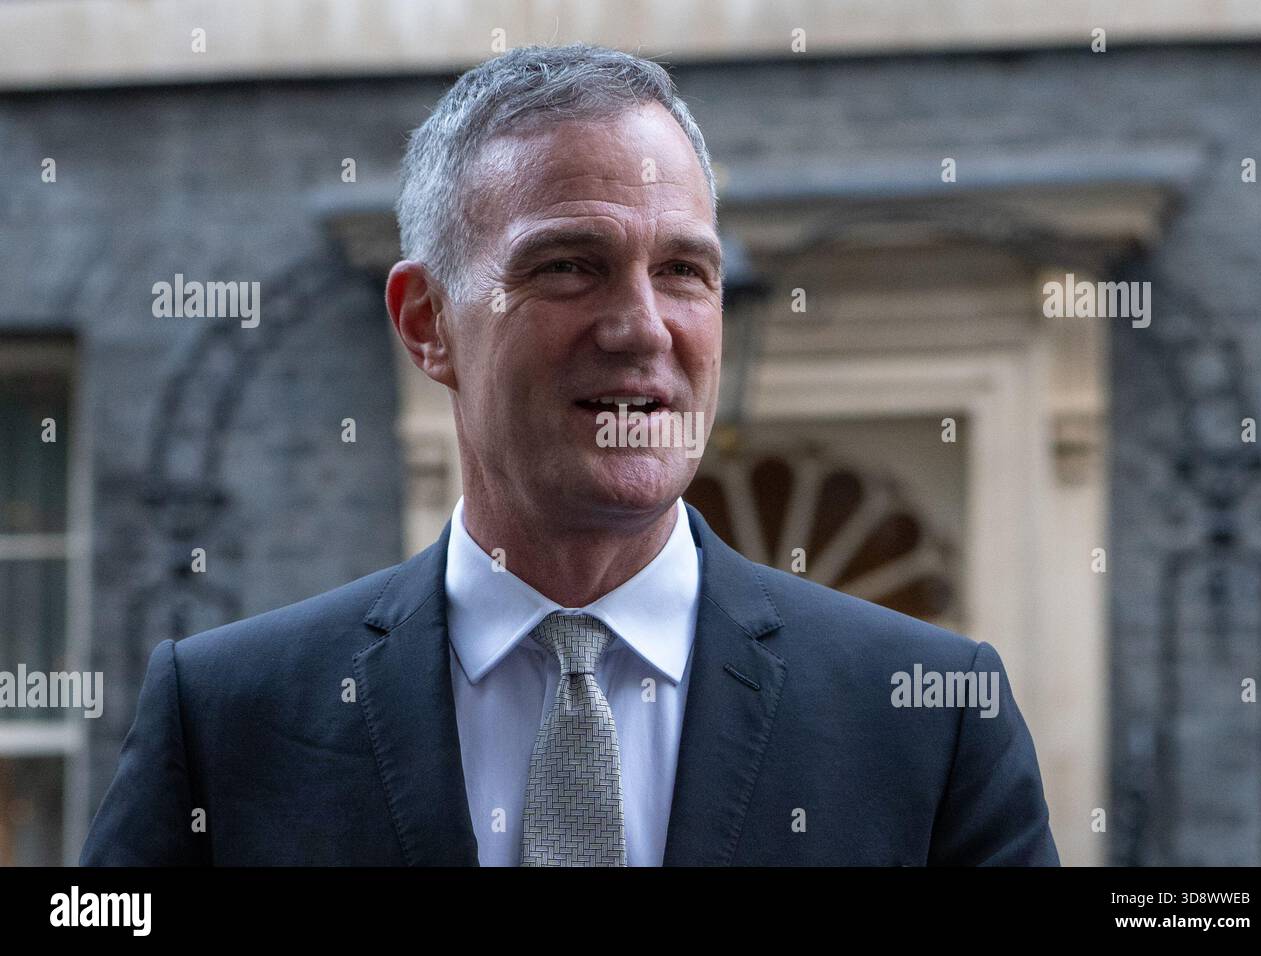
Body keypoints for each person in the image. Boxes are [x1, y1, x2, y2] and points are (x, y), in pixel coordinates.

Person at [82, 43, 1059, 866]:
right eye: (567, 266)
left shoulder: (929, 717)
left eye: (682, 270)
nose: (642, 326)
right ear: (426, 323)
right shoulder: (224, 720)